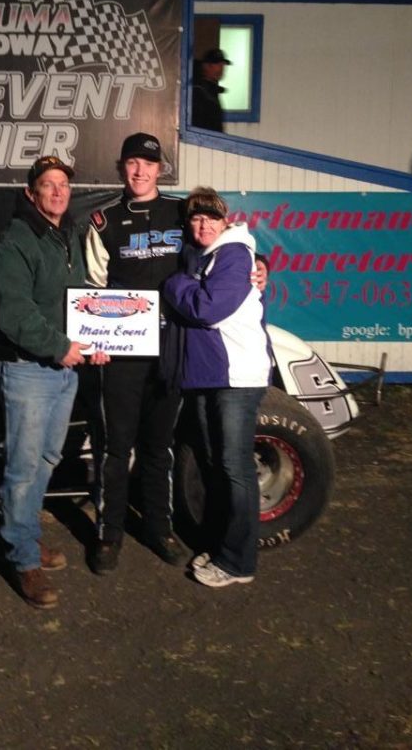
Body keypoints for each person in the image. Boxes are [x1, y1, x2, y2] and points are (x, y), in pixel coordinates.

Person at [0, 155, 108, 609]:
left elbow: (79, 300)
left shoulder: (66, 236)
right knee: (22, 468)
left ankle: (27, 536)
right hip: (28, 368)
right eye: (48, 185)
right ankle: (21, 560)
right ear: (30, 194)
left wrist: (96, 336)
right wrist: (60, 346)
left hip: (64, 367)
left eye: (63, 185)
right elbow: (14, 313)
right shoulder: (14, 243)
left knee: (46, 458)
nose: (58, 192)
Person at [84, 132, 189, 574]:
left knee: (159, 446)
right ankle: (109, 535)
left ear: (160, 169)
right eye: (132, 163)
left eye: (148, 163)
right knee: (114, 446)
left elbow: (223, 248)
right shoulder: (104, 221)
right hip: (121, 353)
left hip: (169, 350)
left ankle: (160, 529)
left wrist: (257, 270)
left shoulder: (184, 212)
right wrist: (96, 340)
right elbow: (92, 287)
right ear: (122, 168)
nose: (140, 171)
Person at [161, 187, 272, 588]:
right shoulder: (203, 255)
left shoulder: (234, 253)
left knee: (235, 468)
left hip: (237, 377)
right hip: (210, 376)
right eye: (195, 218)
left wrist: (174, 285)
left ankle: (239, 562)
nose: (203, 224)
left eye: (211, 217)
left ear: (225, 221)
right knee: (216, 465)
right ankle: (224, 545)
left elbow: (207, 309)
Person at [192, 48, 231, 132]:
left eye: (223, 65)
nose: (221, 68)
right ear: (206, 66)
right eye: (217, 64)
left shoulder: (212, 91)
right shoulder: (198, 92)